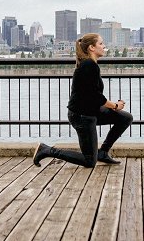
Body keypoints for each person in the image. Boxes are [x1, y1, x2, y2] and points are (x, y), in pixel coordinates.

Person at [33, 33, 132, 168]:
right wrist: (115, 105)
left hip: (91, 112)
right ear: (92, 47)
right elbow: (95, 96)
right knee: (89, 161)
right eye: (101, 44)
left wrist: (113, 106)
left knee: (125, 118)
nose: (104, 46)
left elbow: (93, 96)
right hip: (81, 116)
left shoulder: (91, 65)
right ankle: (47, 150)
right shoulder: (88, 65)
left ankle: (102, 153)